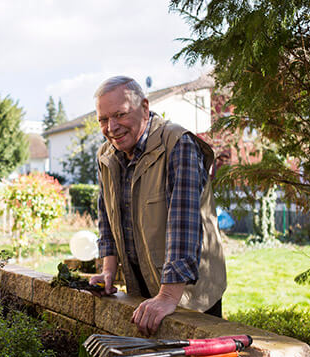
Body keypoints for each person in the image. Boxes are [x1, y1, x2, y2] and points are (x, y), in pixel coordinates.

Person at [89, 76, 226, 336]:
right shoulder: (106, 154)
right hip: (144, 289)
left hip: (188, 294)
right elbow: (106, 216)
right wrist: (108, 270)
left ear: (144, 107)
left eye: (120, 114)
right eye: (103, 119)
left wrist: (166, 297)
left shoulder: (178, 144)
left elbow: (184, 228)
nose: (112, 127)